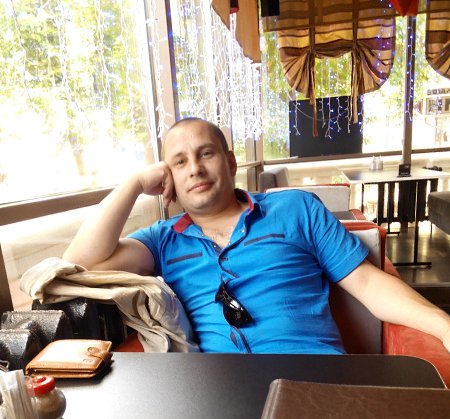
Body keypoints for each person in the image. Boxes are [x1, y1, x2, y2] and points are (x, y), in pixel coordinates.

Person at [63, 117, 450, 354]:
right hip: (220, 391)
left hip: (314, 376)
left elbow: (367, 283)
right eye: (179, 162)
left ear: (231, 162)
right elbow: (78, 265)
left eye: (206, 153)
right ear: (169, 180)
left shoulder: (295, 208)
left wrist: (443, 325)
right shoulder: (163, 240)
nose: (194, 168)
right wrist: (132, 183)